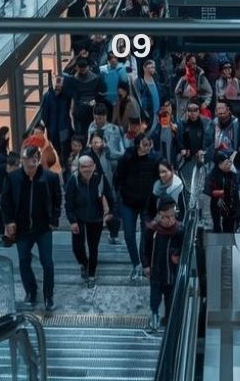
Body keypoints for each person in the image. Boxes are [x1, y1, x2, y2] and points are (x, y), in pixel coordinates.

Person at [1, 149, 62, 311]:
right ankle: (31, 290)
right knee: (23, 261)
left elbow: (57, 199)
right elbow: (5, 201)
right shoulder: (14, 178)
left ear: (38, 160)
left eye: (34, 161)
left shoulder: (50, 177)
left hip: (43, 228)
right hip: (22, 229)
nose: (31, 165)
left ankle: (49, 295)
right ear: (23, 161)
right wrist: (9, 221)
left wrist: (54, 219)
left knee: (47, 262)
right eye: (28, 162)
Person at [116, 134, 162, 279]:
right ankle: (136, 263)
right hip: (128, 201)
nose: (147, 147)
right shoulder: (127, 158)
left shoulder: (155, 159)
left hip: (147, 203)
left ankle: (145, 263)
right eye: (144, 144)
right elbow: (118, 177)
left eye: (149, 144)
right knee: (129, 235)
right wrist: (121, 193)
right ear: (138, 145)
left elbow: (158, 179)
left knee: (146, 233)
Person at [65, 155, 115, 288]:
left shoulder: (100, 179)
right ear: (79, 168)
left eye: (89, 166)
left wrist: (110, 213)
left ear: (93, 166)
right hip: (79, 218)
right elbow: (68, 203)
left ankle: (91, 274)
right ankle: (85, 264)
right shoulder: (73, 180)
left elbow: (110, 197)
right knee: (77, 248)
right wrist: (72, 221)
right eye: (83, 167)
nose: (86, 169)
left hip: (96, 218)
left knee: (93, 248)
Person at [142, 197, 185, 332]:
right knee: (155, 298)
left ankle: (168, 320)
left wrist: (178, 255)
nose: (170, 220)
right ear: (160, 215)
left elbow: (186, 249)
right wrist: (146, 265)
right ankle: (154, 316)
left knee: (170, 299)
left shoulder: (179, 230)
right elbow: (144, 248)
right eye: (166, 217)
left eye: (172, 216)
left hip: (171, 274)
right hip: (156, 272)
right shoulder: (152, 229)